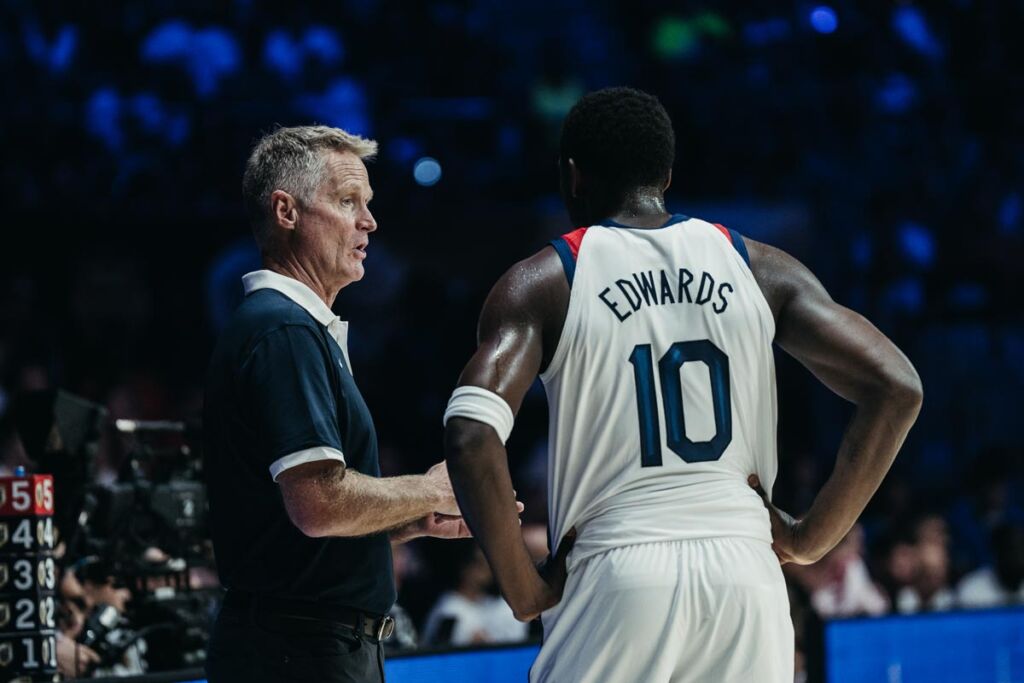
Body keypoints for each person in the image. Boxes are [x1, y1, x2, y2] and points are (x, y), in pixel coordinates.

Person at [444, 87, 923, 682]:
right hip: (746, 572)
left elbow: (470, 434)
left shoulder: (545, 281)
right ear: (667, 176)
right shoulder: (757, 266)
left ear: (572, 177)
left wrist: (522, 588)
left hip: (619, 571)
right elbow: (897, 386)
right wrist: (810, 539)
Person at [203, 125, 472, 683]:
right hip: (298, 653)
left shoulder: (287, 329)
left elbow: (290, 532)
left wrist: (413, 517)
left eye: (368, 205)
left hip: (299, 645)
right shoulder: (283, 330)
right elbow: (319, 503)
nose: (368, 222)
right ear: (286, 211)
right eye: (348, 202)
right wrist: (432, 488)